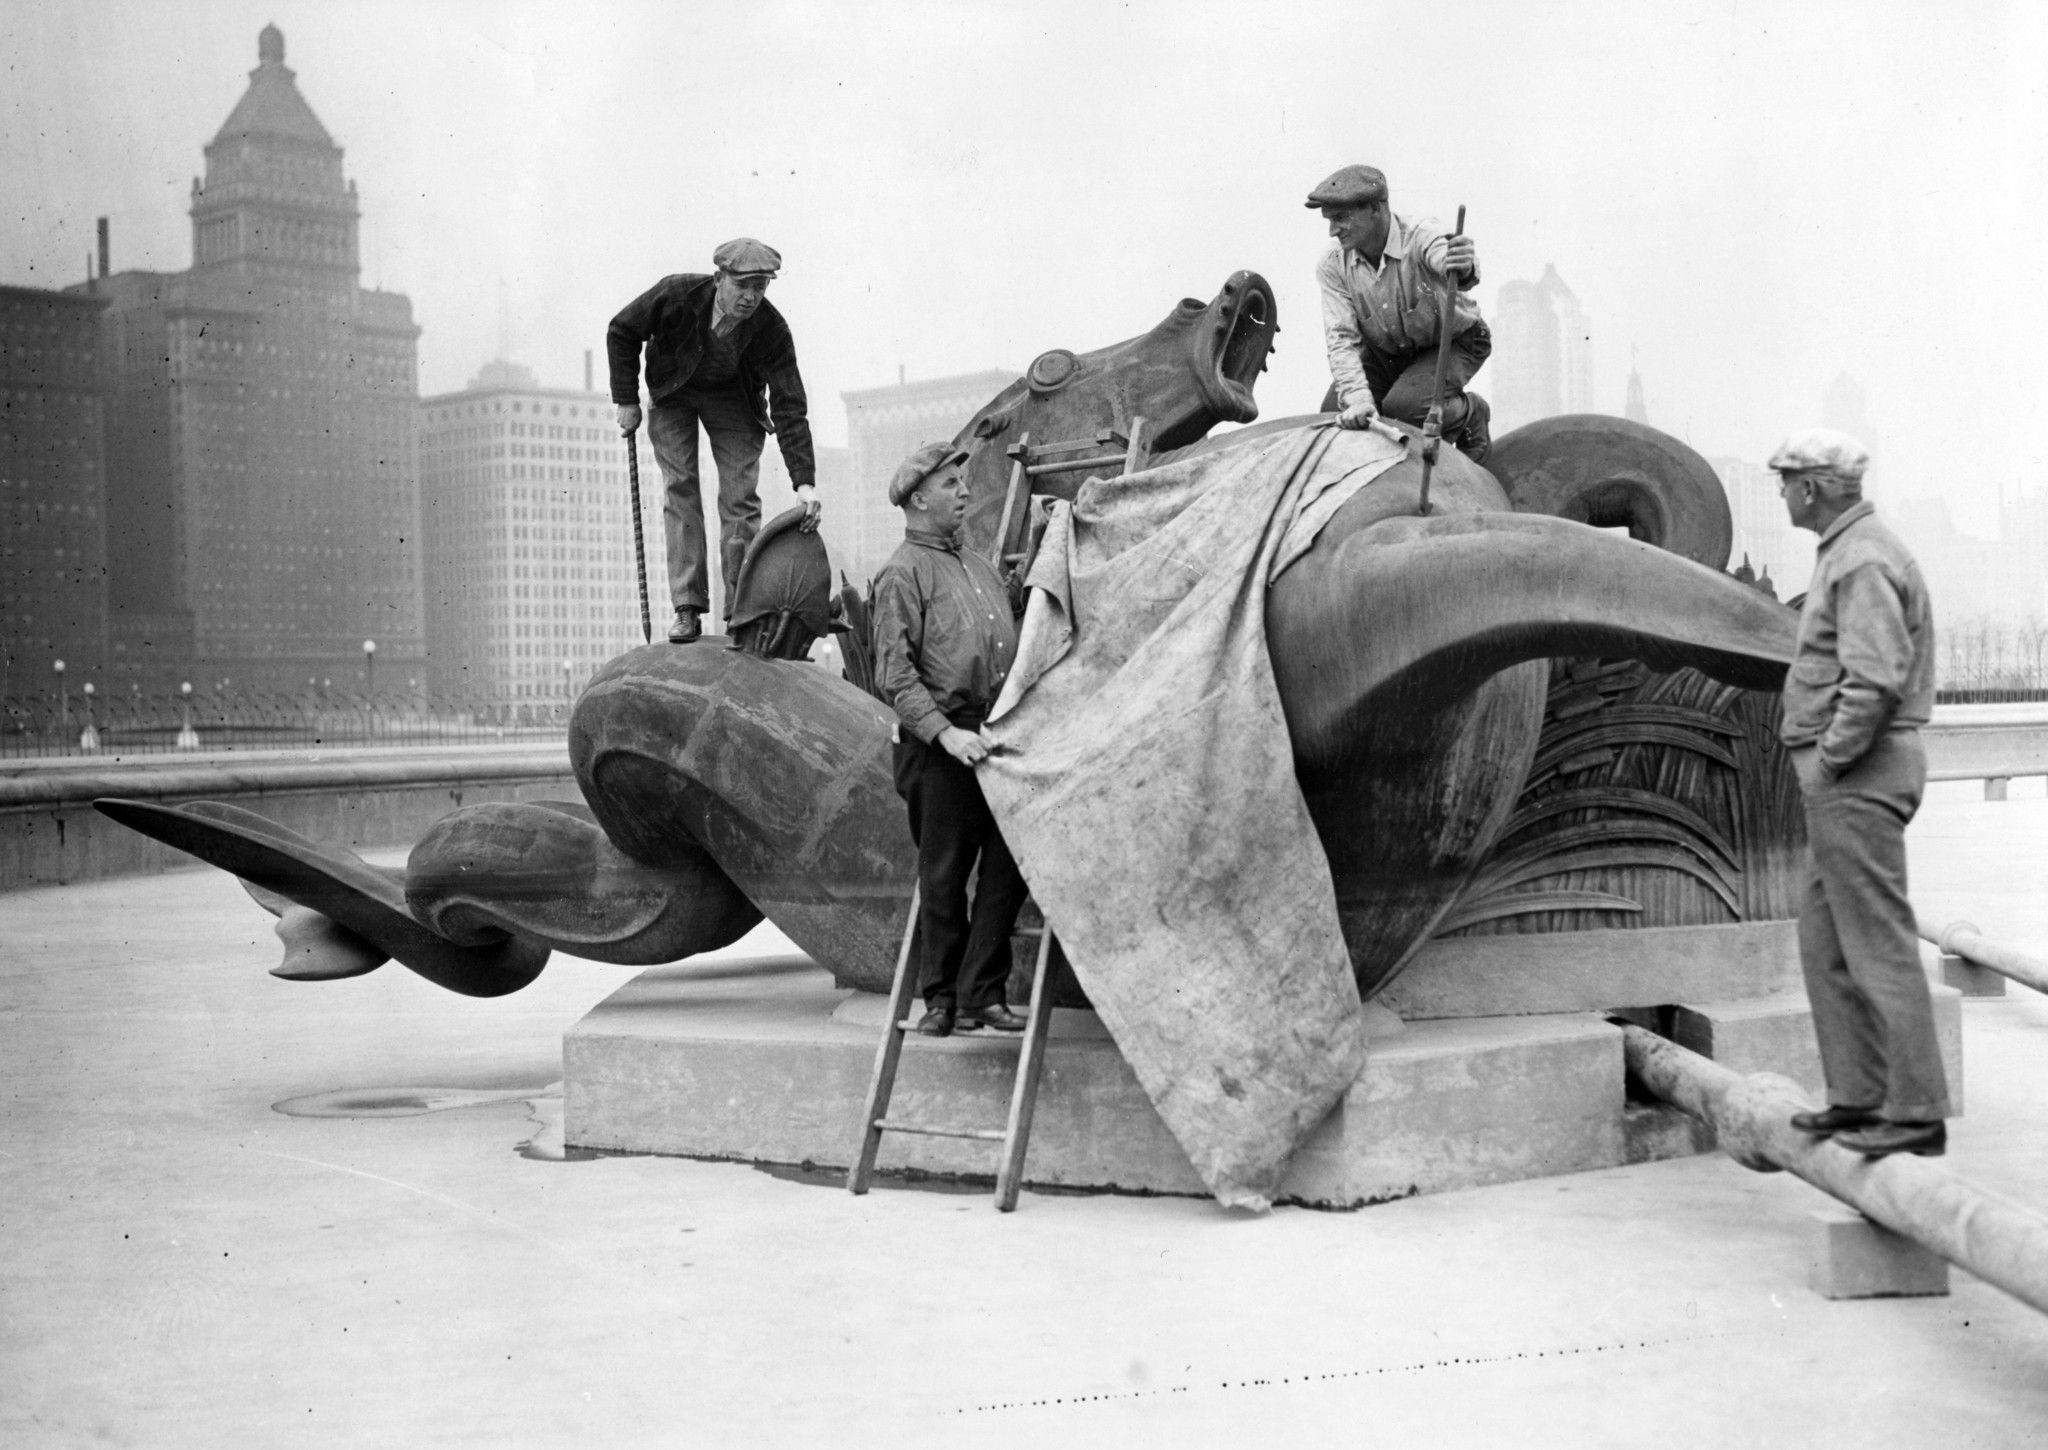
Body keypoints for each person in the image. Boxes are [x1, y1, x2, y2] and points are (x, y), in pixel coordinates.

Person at [1772, 428, 1948, 1158]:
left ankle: (1917, 1111)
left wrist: (1831, 760)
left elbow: (1875, 679)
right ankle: (1858, 1096)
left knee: (1876, 943)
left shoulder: (1863, 558)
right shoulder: (1848, 550)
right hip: (1849, 778)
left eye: (1786, 482)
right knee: (1826, 944)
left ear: (1811, 488)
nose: (1782, 494)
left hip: (1859, 775)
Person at [870, 442, 1030, 1037]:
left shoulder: (980, 567)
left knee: (1010, 863)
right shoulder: (901, 574)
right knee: (943, 874)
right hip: (938, 742)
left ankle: (981, 994)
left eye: (962, 483)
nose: (965, 491)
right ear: (918, 499)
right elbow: (895, 674)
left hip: (991, 732)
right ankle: (940, 1002)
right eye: (951, 484)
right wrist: (945, 735)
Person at [607, 238, 821, 644]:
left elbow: (790, 406)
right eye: (743, 285)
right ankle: (687, 607)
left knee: (740, 498)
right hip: (674, 391)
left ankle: (742, 612)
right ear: (719, 278)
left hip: (735, 400)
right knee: (680, 487)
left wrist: (804, 482)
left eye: (760, 286)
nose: (751, 296)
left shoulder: (772, 330)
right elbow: (622, 330)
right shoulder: (676, 295)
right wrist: (626, 400)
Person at [1306, 164, 1493, 461]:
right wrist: (1357, 399)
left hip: (1456, 340)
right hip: (1388, 354)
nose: (1332, 230)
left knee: (1406, 410)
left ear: (1376, 209)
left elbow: (1446, 256)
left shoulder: (1420, 235)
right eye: (1329, 220)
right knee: (1334, 415)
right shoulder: (1332, 263)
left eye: (1341, 218)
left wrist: (1461, 263)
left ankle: (1469, 414)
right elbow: (1341, 337)